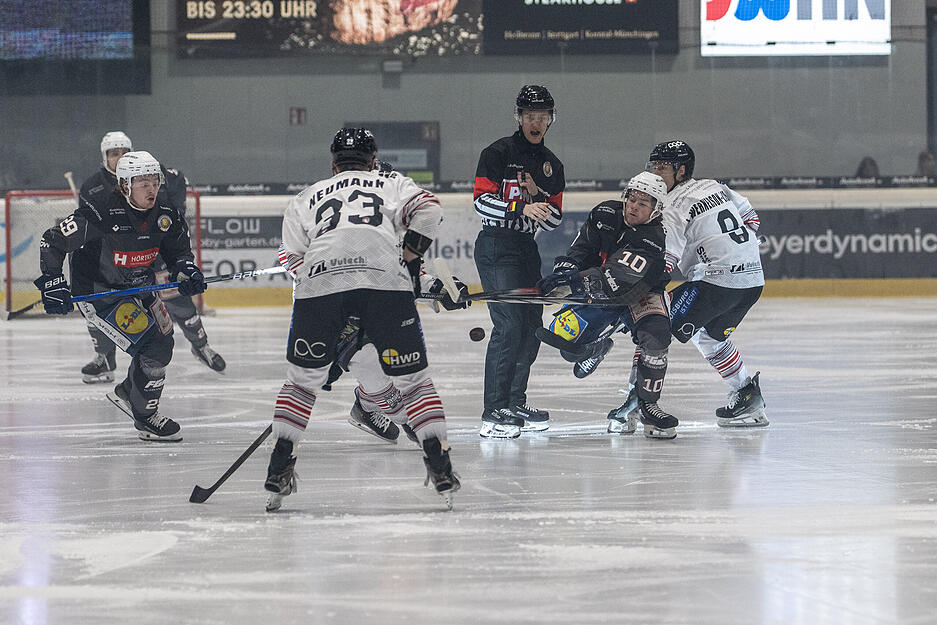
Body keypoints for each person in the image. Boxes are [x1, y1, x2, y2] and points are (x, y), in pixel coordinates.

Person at [263, 127, 459, 512]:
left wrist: (337, 313)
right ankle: (439, 464)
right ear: (373, 163)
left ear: (333, 164)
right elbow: (430, 210)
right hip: (384, 287)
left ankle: (279, 464)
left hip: (320, 291)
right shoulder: (390, 184)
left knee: (302, 384)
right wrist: (411, 258)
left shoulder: (305, 197)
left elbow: (295, 261)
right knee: (414, 382)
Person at [36, 151, 208, 441]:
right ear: (125, 185)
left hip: (140, 287)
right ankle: (144, 417)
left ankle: (129, 391)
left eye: (154, 181)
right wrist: (52, 282)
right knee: (153, 348)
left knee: (163, 342)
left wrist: (186, 272)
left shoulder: (166, 215)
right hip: (101, 295)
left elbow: (178, 252)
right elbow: (52, 242)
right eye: (142, 182)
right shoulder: (101, 212)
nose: (151, 188)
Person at [535, 172, 679, 439]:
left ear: (656, 210)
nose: (634, 206)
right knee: (566, 343)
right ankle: (597, 347)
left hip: (639, 293)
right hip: (600, 290)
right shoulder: (604, 213)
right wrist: (565, 269)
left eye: (643, 203)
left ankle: (648, 404)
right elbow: (581, 249)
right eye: (632, 198)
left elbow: (615, 279)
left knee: (656, 336)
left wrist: (573, 283)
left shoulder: (651, 237)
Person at [77, 131, 225, 384]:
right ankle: (104, 356)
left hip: (155, 254)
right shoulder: (93, 186)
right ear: (104, 157)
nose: (119, 157)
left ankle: (200, 345)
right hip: (115, 262)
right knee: (101, 308)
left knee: (179, 302)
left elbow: (171, 217)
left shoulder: (158, 175)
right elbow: (87, 228)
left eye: (124, 152)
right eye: (114, 153)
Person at [648, 140, 768, 428]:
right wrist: (738, 251)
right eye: (653, 167)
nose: (655, 174)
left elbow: (666, 261)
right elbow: (751, 217)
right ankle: (746, 396)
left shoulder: (673, 205)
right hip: (752, 281)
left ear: (681, 171)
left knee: (653, 322)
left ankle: (637, 401)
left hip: (716, 282)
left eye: (662, 168)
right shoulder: (714, 186)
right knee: (710, 339)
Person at [472, 84, 566, 439]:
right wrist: (520, 206)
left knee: (530, 326)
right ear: (519, 117)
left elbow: (555, 219)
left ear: (550, 119)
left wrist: (538, 197)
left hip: (527, 247)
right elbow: (480, 201)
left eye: (542, 116)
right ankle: (492, 409)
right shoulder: (497, 153)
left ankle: (513, 401)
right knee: (509, 323)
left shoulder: (552, 165)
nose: (536, 121)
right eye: (530, 115)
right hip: (497, 245)